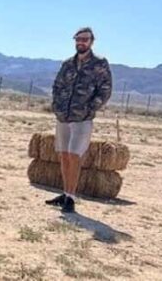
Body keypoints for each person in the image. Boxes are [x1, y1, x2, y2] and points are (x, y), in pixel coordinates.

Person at [46, 26, 112, 213]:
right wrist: (56, 105)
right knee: (64, 155)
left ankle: (71, 197)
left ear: (91, 42)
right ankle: (65, 193)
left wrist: (91, 108)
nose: (80, 42)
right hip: (63, 116)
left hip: (82, 118)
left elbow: (105, 89)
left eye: (84, 39)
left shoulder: (100, 64)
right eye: (78, 39)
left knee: (74, 156)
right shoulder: (67, 64)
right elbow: (57, 86)